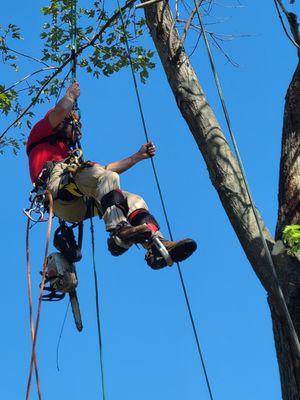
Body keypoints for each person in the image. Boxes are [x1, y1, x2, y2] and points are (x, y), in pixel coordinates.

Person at [26, 82, 197, 269]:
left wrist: (137, 157)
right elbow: (61, 110)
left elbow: (107, 171)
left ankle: (157, 246)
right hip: (56, 189)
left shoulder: (69, 157)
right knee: (105, 177)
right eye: (75, 124)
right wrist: (70, 95)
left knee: (133, 200)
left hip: (74, 205)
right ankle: (119, 231)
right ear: (62, 122)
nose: (78, 130)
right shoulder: (41, 132)